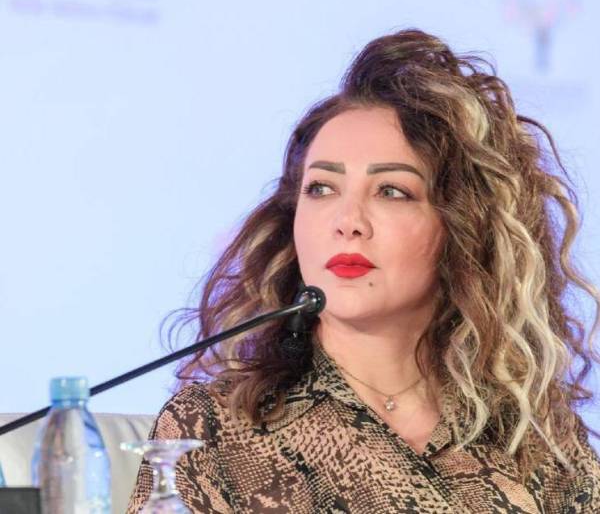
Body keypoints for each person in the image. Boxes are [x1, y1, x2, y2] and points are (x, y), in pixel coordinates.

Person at [127, 29, 600, 513]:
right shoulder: (214, 427)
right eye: (321, 189)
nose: (347, 221)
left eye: (391, 191)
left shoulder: (535, 439)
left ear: (463, 228)